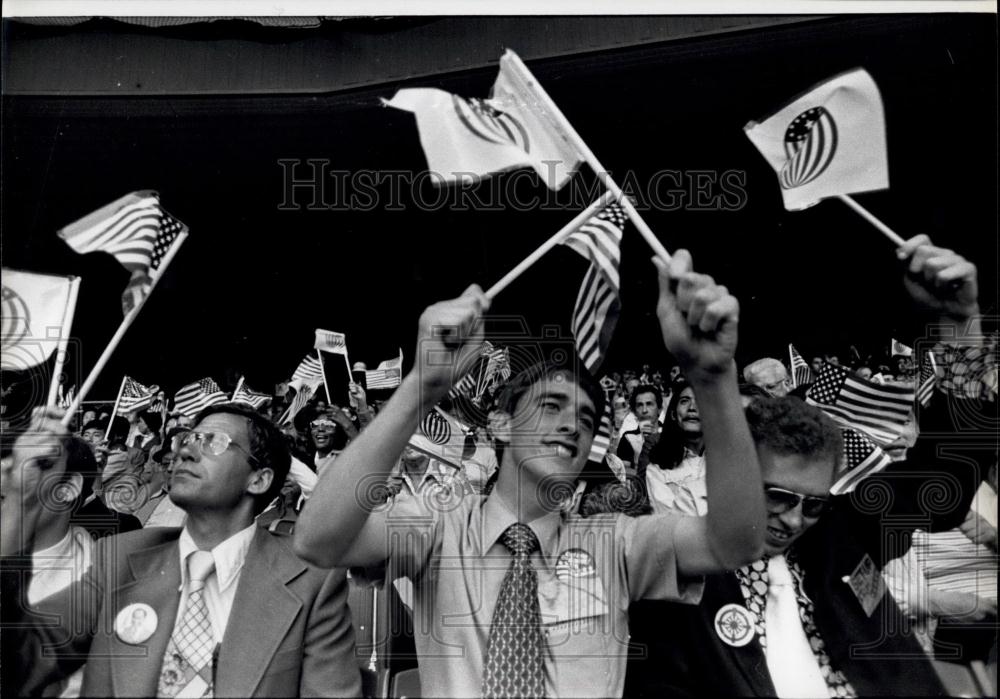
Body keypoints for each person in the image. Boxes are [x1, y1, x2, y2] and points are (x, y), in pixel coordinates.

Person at [295, 250, 767, 698]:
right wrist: (422, 387)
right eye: (550, 406)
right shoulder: (439, 527)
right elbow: (318, 541)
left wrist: (713, 379)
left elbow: (736, 542)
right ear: (500, 423)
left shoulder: (617, 543)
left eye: (585, 420)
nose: (571, 425)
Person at [625, 235, 995, 697]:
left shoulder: (842, 538)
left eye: (814, 504)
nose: (796, 518)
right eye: (777, 496)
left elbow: (946, 477)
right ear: (731, 478)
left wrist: (961, 327)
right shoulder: (677, 586)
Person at [2, 402, 361, 697]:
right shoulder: (119, 559)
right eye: (189, 439)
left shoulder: (311, 581)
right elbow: (17, 665)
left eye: (213, 441)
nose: (186, 450)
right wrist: (20, 498)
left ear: (259, 479)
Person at [642, 380, 707, 516]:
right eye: (684, 401)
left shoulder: (726, 460)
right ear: (673, 414)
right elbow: (672, 519)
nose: (692, 407)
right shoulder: (657, 469)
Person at [615, 384, 664, 469]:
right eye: (640, 405)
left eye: (649, 404)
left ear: (659, 408)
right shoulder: (628, 438)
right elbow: (626, 474)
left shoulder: (672, 434)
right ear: (634, 412)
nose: (644, 410)